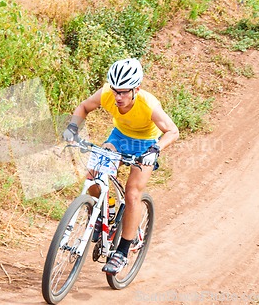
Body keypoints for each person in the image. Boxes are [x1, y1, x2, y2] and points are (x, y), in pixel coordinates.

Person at [62, 58, 179, 275]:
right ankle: (106, 210)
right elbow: (84, 107)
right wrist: (72, 127)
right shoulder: (107, 94)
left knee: (133, 192)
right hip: (118, 138)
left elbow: (173, 131)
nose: (118, 97)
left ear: (137, 88)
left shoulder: (149, 104)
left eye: (124, 92)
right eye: (115, 90)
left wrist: (154, 151)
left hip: (145, 144)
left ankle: (122, 253)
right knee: (93, 179)